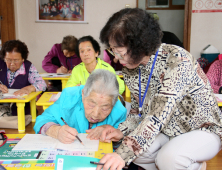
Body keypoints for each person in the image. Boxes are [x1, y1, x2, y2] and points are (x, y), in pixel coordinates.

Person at [96, 8, 222, 170]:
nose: (116, 58)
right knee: (139, 153)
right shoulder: (131, 69)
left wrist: (122, 154)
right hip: (168, 130)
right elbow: (138, 111)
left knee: (168, 158)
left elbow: (157, 115)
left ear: (140, 45)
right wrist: (122, 131)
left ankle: (193, 165)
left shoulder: (177, 60)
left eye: (120, 52)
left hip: (203, 130)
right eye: (113, 51)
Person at [34, 69, 127, 144]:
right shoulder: (68, 97)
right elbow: (41, 120)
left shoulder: (119, 111)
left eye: (105, 108)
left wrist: (112, 132)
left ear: (113, 103)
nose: (95, 114)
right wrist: (56, 131)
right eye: (91, 104)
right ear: (83, 94)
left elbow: (123, 141)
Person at [0, 40, 47, 116]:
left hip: (22, 111)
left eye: (16, 60)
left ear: (23, 59)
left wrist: (30, 88)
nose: (12, 64)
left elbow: (42, 85)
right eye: (8, 60)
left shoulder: (28, 66)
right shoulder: (1, 64)